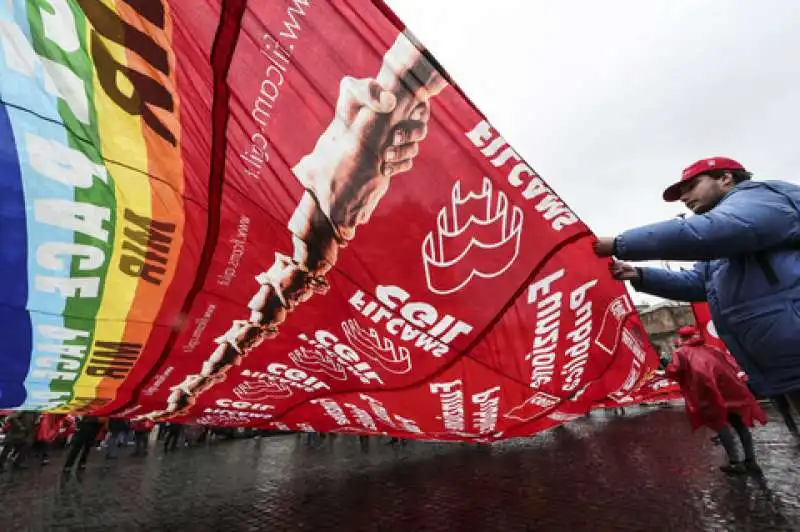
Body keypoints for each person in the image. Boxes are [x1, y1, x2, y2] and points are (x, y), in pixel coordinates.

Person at [594, 157, 800, 409]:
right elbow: (699, 283)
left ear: (725, 178)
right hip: (783, 360)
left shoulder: (759, 198)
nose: (684, 197)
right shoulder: (726, 242)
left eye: (691, 186)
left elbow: (712, 231)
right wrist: (638, 274)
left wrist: (619, 244)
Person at [666, 325, 767, 474]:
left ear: (681, 338)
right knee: (740, 425)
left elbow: (674, 371)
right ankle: (751, 461)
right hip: (731, 391)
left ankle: (734, 462)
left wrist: (663, 373)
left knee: (720, 425)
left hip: (708, 394)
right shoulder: (712, 349)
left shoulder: (681, 353)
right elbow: (732, 364)